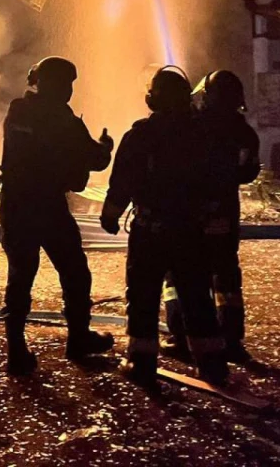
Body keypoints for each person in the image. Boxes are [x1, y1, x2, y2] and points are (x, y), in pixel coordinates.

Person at [99, 66, 229, 386]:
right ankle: (211, 364)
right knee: (197, 297)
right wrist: (214, 219)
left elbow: (122, 183)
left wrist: (110, 215)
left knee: (143, 296)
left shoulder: (139, 136)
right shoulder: (203, 136)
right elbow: (218, 182)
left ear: (151, 98)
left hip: (150, 230)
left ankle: (142, 362)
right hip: (191, 231)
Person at [0, 56, 115, 376]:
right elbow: (94, 158)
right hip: (45, 204)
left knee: (21, 277)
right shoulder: (62, 118)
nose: (68, 90)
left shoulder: (18, 110)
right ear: (50, 83)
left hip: (17, 204)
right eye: (65, 83)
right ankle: (77, 339)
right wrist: (105, 147)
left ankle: (17, 349)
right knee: (74, 271)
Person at [164, 70, 261, 362]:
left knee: (181, 274)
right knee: (227, 276)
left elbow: (175, 169)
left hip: (190, 211)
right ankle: (231, 340)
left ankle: (180, 336)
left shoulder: (190, 127)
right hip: (225, 212)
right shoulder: (243, 131)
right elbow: (249, 172)